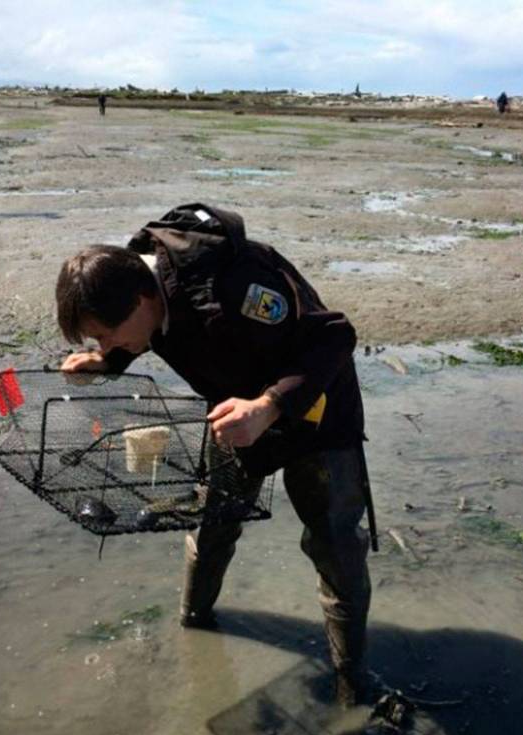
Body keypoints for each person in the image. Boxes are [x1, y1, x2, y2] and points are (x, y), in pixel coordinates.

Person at [56, 203, 372, 706]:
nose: (107, 342)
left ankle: (351, 679)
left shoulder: (234, 287)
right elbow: (140, 334)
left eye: (105, 333)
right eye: (96, 337)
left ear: (142, 298)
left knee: (336, 548)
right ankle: (195, 626)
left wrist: (269, 406)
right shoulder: (137, 286)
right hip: (233, 414)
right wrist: (104, 360)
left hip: (315, 412)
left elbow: (336, 336)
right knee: (212, 523)